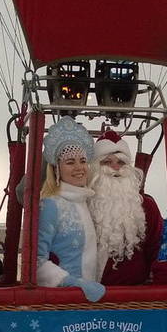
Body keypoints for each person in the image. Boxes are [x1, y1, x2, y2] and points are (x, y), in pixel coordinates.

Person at [88, 131, 167, 285]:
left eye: (121, 162)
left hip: (133, 296)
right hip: (85, 295)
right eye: (107, 162)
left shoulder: (146, 205)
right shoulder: (84, 203)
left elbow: (161, 246)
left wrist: (162, 282)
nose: (115, 168)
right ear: (95, 167)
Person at [37, 116, 105, 302]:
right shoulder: (50, 205)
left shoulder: (87, 201)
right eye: (70, 162)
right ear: (56, 168)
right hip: (62, 302)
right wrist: (72, 283)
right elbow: (36, 261)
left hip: (89, 302)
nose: (79, 167)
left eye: (83, 161)